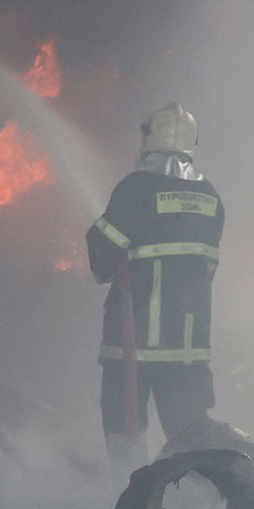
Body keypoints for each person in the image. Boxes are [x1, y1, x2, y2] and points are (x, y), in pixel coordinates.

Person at [86, 101, 224, 479]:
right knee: (191, 443)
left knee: (125, 442)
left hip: (133, 345)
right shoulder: (211, 197)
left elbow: (103, 253)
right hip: (187, 351)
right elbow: (205, 270)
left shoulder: (136, 189)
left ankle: (126, 502)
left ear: (149, 139)